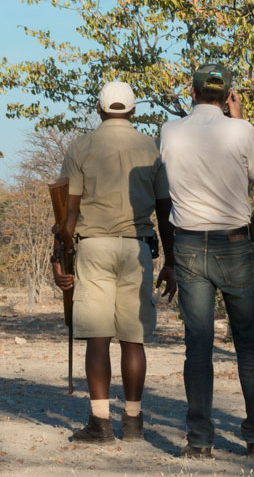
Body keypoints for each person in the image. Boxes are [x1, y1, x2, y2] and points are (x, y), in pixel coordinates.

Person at [159, 64, 254, 460]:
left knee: (198, 345)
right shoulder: (241, 130)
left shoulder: (170, 130)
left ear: (192, 93)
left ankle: (199, 441)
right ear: (227, 96)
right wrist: (239, 120)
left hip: (189, 245)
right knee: (249, 344)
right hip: (235, 244)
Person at [52, 81, 175, 443]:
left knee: (98, 338)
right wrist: (170, 261)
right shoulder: (150, 147)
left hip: (93, 248)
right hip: (137, 248)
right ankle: (134, 423)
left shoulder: (82, 146)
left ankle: (100, 423)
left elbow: (68, 212)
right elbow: (165, 208)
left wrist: (58, 258)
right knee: (133, 341)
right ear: (133, 110)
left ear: (99, 109)